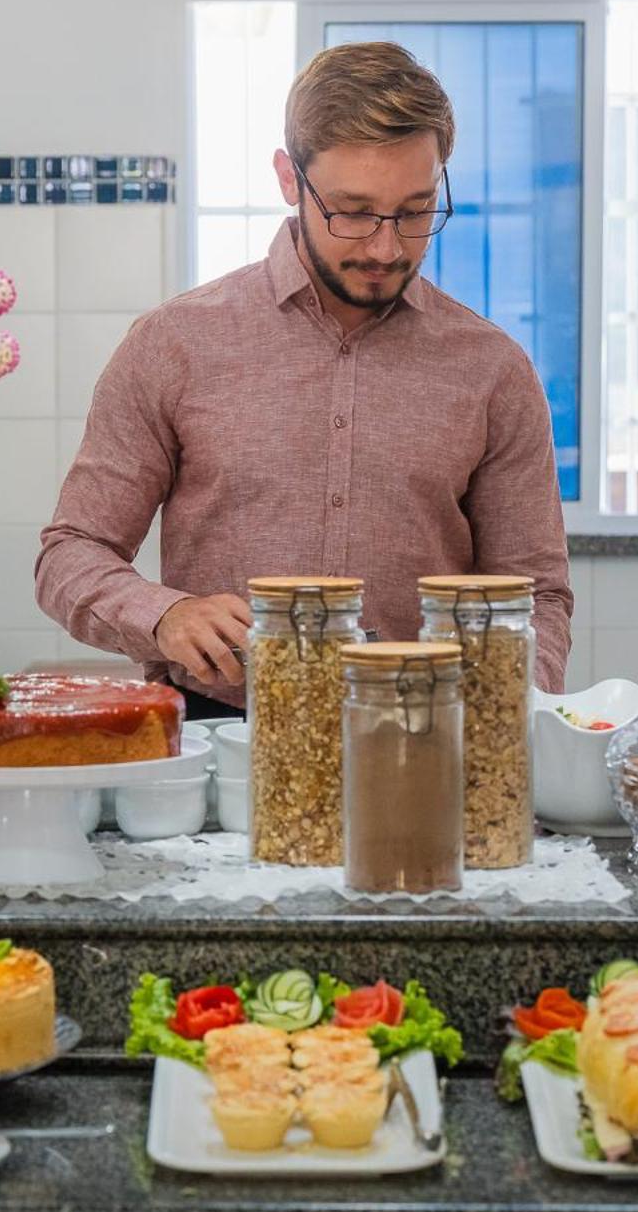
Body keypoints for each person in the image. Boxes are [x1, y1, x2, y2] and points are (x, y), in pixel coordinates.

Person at [37, 41, 572, 715]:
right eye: (352, 210)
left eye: (413, 212)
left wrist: (519, 702)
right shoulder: (173, 345)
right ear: (289, 180)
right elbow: (71, 552)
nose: (385, 246)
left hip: (423, 737)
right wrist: (164, 614)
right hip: (220, 730)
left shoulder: (492, 370)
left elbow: (537, 593)